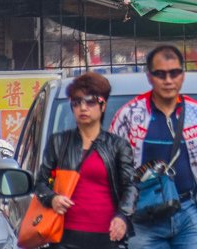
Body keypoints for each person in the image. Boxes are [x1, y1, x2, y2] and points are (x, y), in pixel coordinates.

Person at [110, 45, 197, 249]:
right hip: (143, 215)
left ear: (183, 75)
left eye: (174, 73)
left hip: (190, 211)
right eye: (160, 74)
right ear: (149, 76)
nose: (168, 80)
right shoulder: (129, 115)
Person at [35, 72, 136, 249]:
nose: (83, 107)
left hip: (107, 238)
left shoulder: (118, 146)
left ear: (102, 105)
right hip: (64, 237)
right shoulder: (58, 142)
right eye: (76, 102)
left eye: (90, 101)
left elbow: (130, 187)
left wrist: (122, 216)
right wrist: (52, 198)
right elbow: (41, 183)